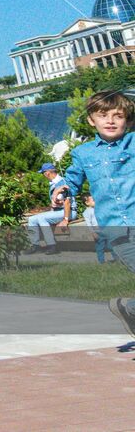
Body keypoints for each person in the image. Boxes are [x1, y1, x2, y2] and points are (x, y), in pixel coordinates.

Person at [58, 90, 135, 336]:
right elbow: (72, 180)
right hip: (118, 230)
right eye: (103, 115)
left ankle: (129, 310)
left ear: (128, 121)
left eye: (118, 116)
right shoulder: (83, 153)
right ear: (91, 120)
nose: (110, 121)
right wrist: (63, 190)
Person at [23, 162, 72, 255]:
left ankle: (52, 246)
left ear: (47, 173)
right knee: (32, 219)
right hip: (59, 211)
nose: (43, 175)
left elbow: (67, 202)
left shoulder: (61, 183)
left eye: (43, 173)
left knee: (42, 218)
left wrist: (65, 219)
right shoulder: (54, 183)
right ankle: (35, 245)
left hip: (68, 212)